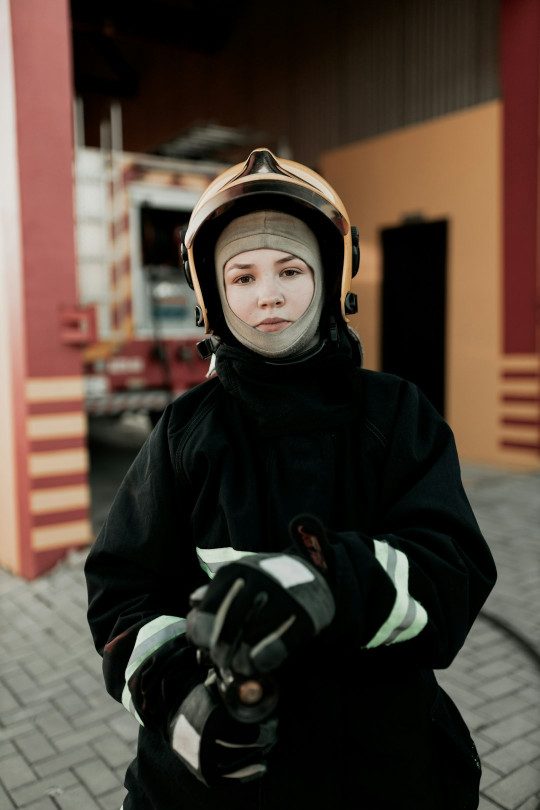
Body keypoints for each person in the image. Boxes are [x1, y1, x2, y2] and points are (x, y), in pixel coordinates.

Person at [85, 148, 497, 810]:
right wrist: (182, 703)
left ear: (331, 278)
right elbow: (122, 594)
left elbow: (450, 574)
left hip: (383, 776)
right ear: (213, 295)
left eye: (290, 270)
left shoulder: (395, 415)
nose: (267, 294)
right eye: (241, 276)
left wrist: (331, 582)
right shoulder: (184, 433)